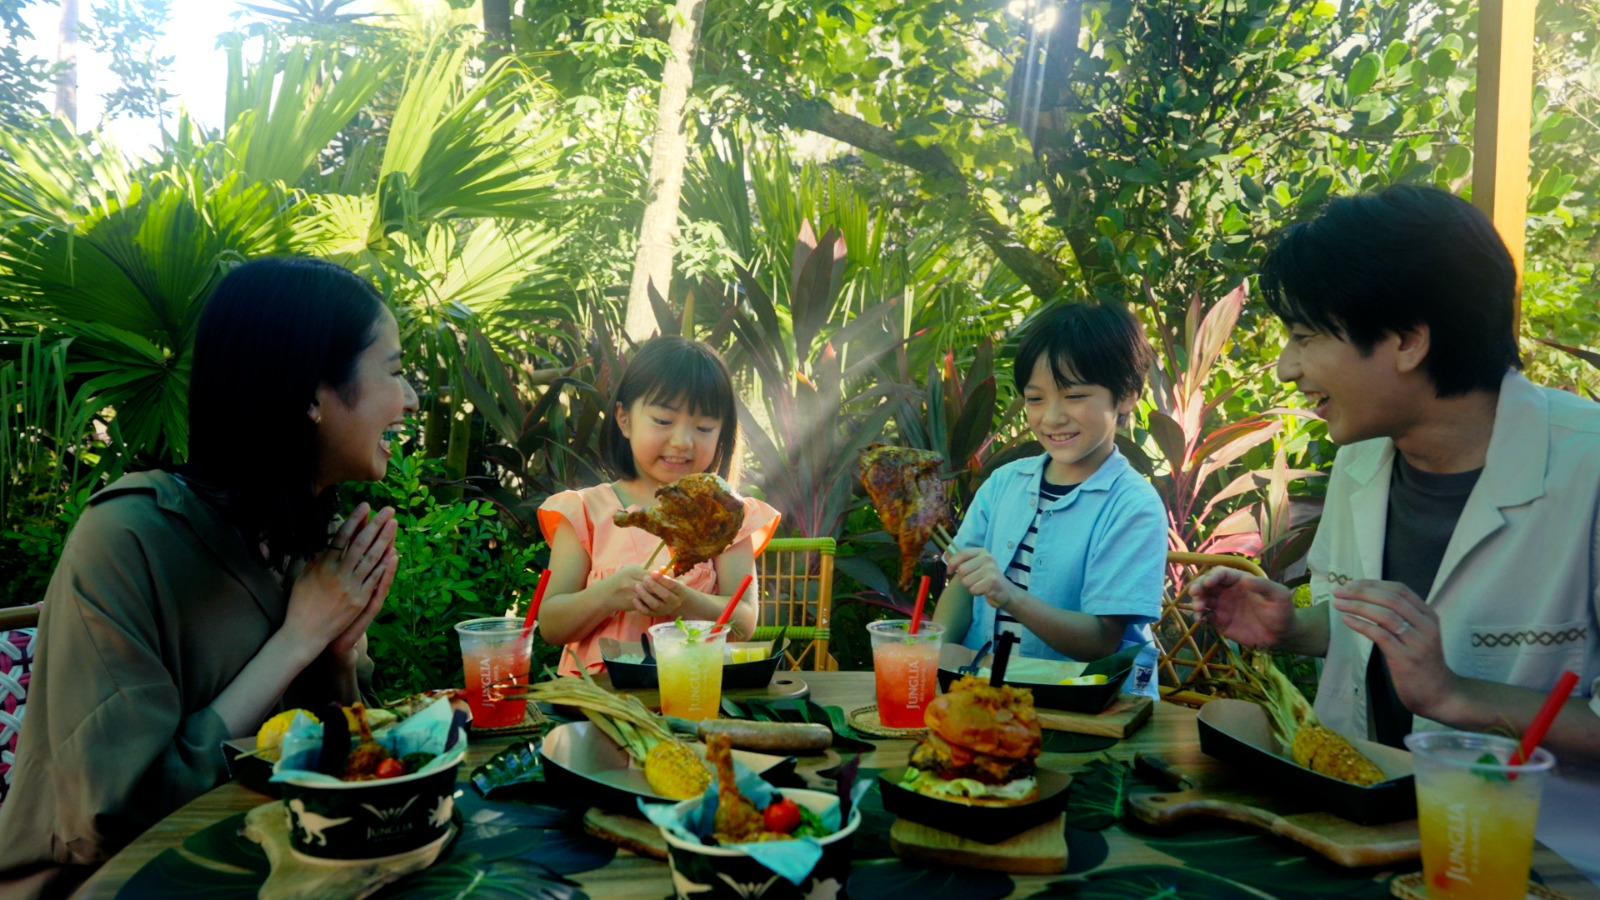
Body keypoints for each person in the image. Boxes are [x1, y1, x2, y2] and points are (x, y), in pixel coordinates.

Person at [1188, 184, 1600, 881]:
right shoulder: (1361, 457)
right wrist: (1297, 627)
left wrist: (1458, 697)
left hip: (1540, 867)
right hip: (1357, 839)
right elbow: (1383, 631)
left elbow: (1437, 672)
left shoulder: (1586, 468)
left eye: (1305, 336)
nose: (1287, 368)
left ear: (1409, 340)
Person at [0, 257, 416, 898]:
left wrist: (336, 653)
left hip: (269, 865)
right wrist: (294, 640)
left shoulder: (299, 540)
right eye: (393, 371)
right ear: (311, 391)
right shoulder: (130, 537)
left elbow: (329, 768)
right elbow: (115, 812)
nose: (411, 398)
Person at [932, 303, 1167, 696]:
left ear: (1125, 396)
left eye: (1074, 395)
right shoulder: (1003, 483)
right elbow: (962, 583)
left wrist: (1008, 594)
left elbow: (1102, 640)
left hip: (1090, 712)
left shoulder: (1133, 506)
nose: (1051, 418)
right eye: (1035, 399)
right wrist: (930, 654)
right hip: (987, 696)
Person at [537, 336, 780, 676]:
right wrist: (607, 595)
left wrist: (686, 601)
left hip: (692, 691)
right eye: (663, 421)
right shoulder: (584, 511)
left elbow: (744, 621)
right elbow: (551, 625)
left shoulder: (722, 517)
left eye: (704, 427)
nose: (682, 441)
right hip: (595, 701)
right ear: (624, 419)